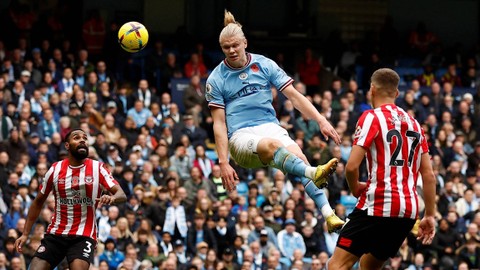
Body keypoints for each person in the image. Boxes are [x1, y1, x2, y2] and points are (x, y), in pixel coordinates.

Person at [205, 10, 344, 232]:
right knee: (276, 148)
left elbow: (295, 96)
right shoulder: (216, 78)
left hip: (269, 126)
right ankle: (312, 173)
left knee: (299, 156)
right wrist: (223, 161)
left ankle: (329, 215)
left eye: (235, 45)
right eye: (226, 47)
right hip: (241, 137)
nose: (231, 50)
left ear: (245, 43)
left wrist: (321, 120)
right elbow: (219, 124)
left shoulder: (264, 65)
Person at [327, 68, 437, 270]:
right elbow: (428, 175)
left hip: (378, 203)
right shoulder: (415, 124)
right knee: (369, 266)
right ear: (396, 93)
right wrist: (430, 215)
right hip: (407, 212)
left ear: (372, 89)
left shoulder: (371, 117)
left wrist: (354, 188)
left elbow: (352, 166)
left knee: (337, 265)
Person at [14, 128, 127, 270]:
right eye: (76, 137)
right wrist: (25, 234)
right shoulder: (55, 170)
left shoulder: (98, 168)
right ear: (67, 145)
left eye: (85, 138)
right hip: (56, 234)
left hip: (83, 235)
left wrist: (112, 198)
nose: (82, 140)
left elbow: (121, 194)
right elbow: (38, 202)